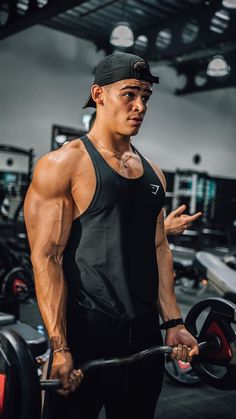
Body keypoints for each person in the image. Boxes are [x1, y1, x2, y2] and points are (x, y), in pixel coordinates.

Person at [24, 52, 199, 419]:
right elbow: (47, 259)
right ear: (99, 94)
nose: (140, 106)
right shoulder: (63, 164)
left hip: (144, 334)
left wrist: (174, 322)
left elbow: (159, 247)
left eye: (146, 97)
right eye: (129, 94)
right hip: (86, 334)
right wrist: (60, 346)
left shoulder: (154, 173)